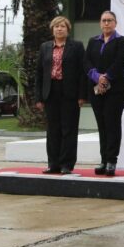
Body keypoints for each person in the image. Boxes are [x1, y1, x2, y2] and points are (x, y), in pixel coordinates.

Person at [35, 16, 86, 175]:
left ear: (68, 29)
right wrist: (39, 97)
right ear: (52, 29)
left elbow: (82, 72)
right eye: (56, 26)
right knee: (53, 130)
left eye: (62, 26)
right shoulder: (45, 47)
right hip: (50, 92)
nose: (59, 29)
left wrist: (82, 95)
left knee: (68, 129)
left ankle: (66, 164)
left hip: (70, 93)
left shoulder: (76, 46)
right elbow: (39, 73)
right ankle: (53, 164)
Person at [84, 10, 124, 177]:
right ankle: (103, 160)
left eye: (110, 20)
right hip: (96, 88)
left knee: (112, 123)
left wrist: (106, 78)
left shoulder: (121, 41)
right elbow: (86, 62)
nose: (106, 23)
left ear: (115, 23)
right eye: (104, 20)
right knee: (101, 124)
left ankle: (111, 160)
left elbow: (120, 62)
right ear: (100, 23)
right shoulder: (93, 41)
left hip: (116, 89)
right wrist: (97, 77)